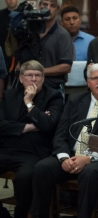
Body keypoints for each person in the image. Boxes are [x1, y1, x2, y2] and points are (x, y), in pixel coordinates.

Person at [30, 63, 98, 218]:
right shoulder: (75, 100)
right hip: (70, 156)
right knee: (42, 168)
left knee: (89, 173)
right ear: (88, 82)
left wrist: (88, 158)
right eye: (94, 78)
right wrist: (64, 158)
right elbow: (61, 133)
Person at [0, 60, 63, 218]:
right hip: (7, 148)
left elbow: (48, 125)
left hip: (34, 152)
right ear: (21, 78)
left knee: (24, 177)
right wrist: (28, 127)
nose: (34, 79)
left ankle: (20, 215)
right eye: (29, 75)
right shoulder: (9, 95)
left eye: (38, 75)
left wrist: (29, 103)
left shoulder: (53, 96)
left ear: (43, 78)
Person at [0, 0, 18, 90]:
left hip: (19, 53)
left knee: (19, 80)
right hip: (2, 53)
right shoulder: (1, 14)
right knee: (2, 78)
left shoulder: (23, 13)